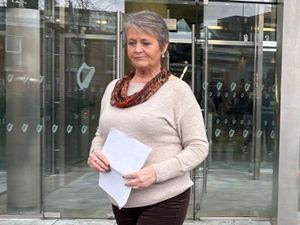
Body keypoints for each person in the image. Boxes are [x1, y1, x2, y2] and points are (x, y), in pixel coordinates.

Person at [87, 11, 209, 225]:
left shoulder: (177, 90)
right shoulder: (113, 89)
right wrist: (95, 152)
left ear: (163, 47)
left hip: (164, 197)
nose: (137, 49)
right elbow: (101, 134)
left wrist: (156, 173)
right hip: (121, 197)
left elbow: (198, 147)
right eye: (131, 43)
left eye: (146, 42)